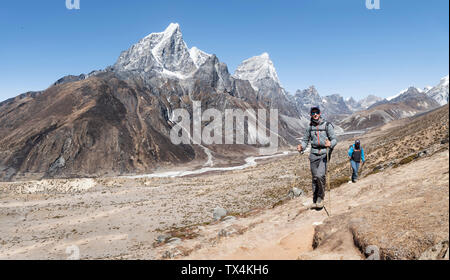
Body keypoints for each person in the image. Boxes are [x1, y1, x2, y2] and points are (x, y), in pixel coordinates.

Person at [297, 106, 338, 209]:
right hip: (313, 154)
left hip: (324, 154)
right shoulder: (309, 127)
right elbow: (305, 140)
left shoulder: (327, 125)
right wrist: (302, 147)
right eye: (313, 113)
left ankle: (320, 197)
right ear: (310, 115)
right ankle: (315, 198)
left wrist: (330, 143)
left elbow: (334, 139)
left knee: (320, 176)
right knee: (315, 177)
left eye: (317, 112)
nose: (315, 114)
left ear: (320, 113)